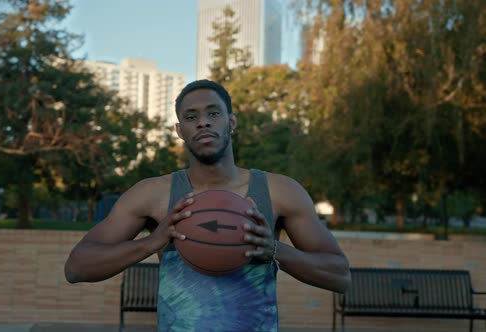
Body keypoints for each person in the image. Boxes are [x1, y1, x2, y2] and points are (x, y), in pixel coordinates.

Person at [64, 79, 351, 331]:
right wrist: (151, 243)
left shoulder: (279, 192)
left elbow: (340, 275)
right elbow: (77, 268)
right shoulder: (152, 194)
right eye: (191, 117)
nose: (203, 122)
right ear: (179, 130)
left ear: (232, 122)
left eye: (213, 113)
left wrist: (274, 250)